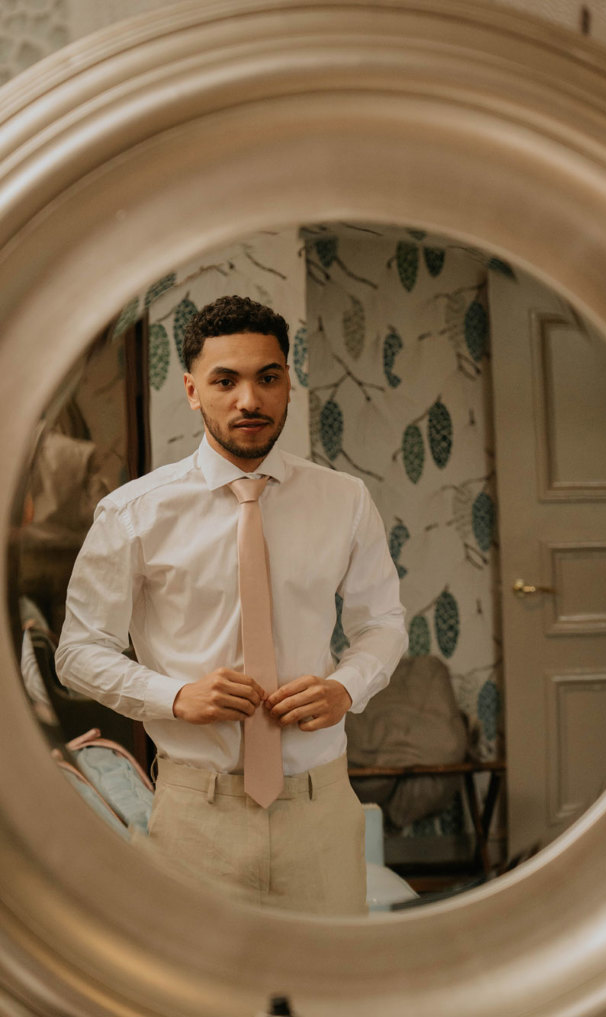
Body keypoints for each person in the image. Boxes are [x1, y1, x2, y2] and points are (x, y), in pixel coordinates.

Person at [55, 294, 407, 915]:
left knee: (330, 1001)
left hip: (321, 808)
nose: (250, 400)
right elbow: (78, 653)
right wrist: (175, 696)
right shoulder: (133, 513)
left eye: (267, 377)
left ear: (288, 384)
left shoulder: (345, 500)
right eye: (227, 380)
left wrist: (346, 687)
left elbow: (382, 625)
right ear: (193, 391)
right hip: (196, 814)